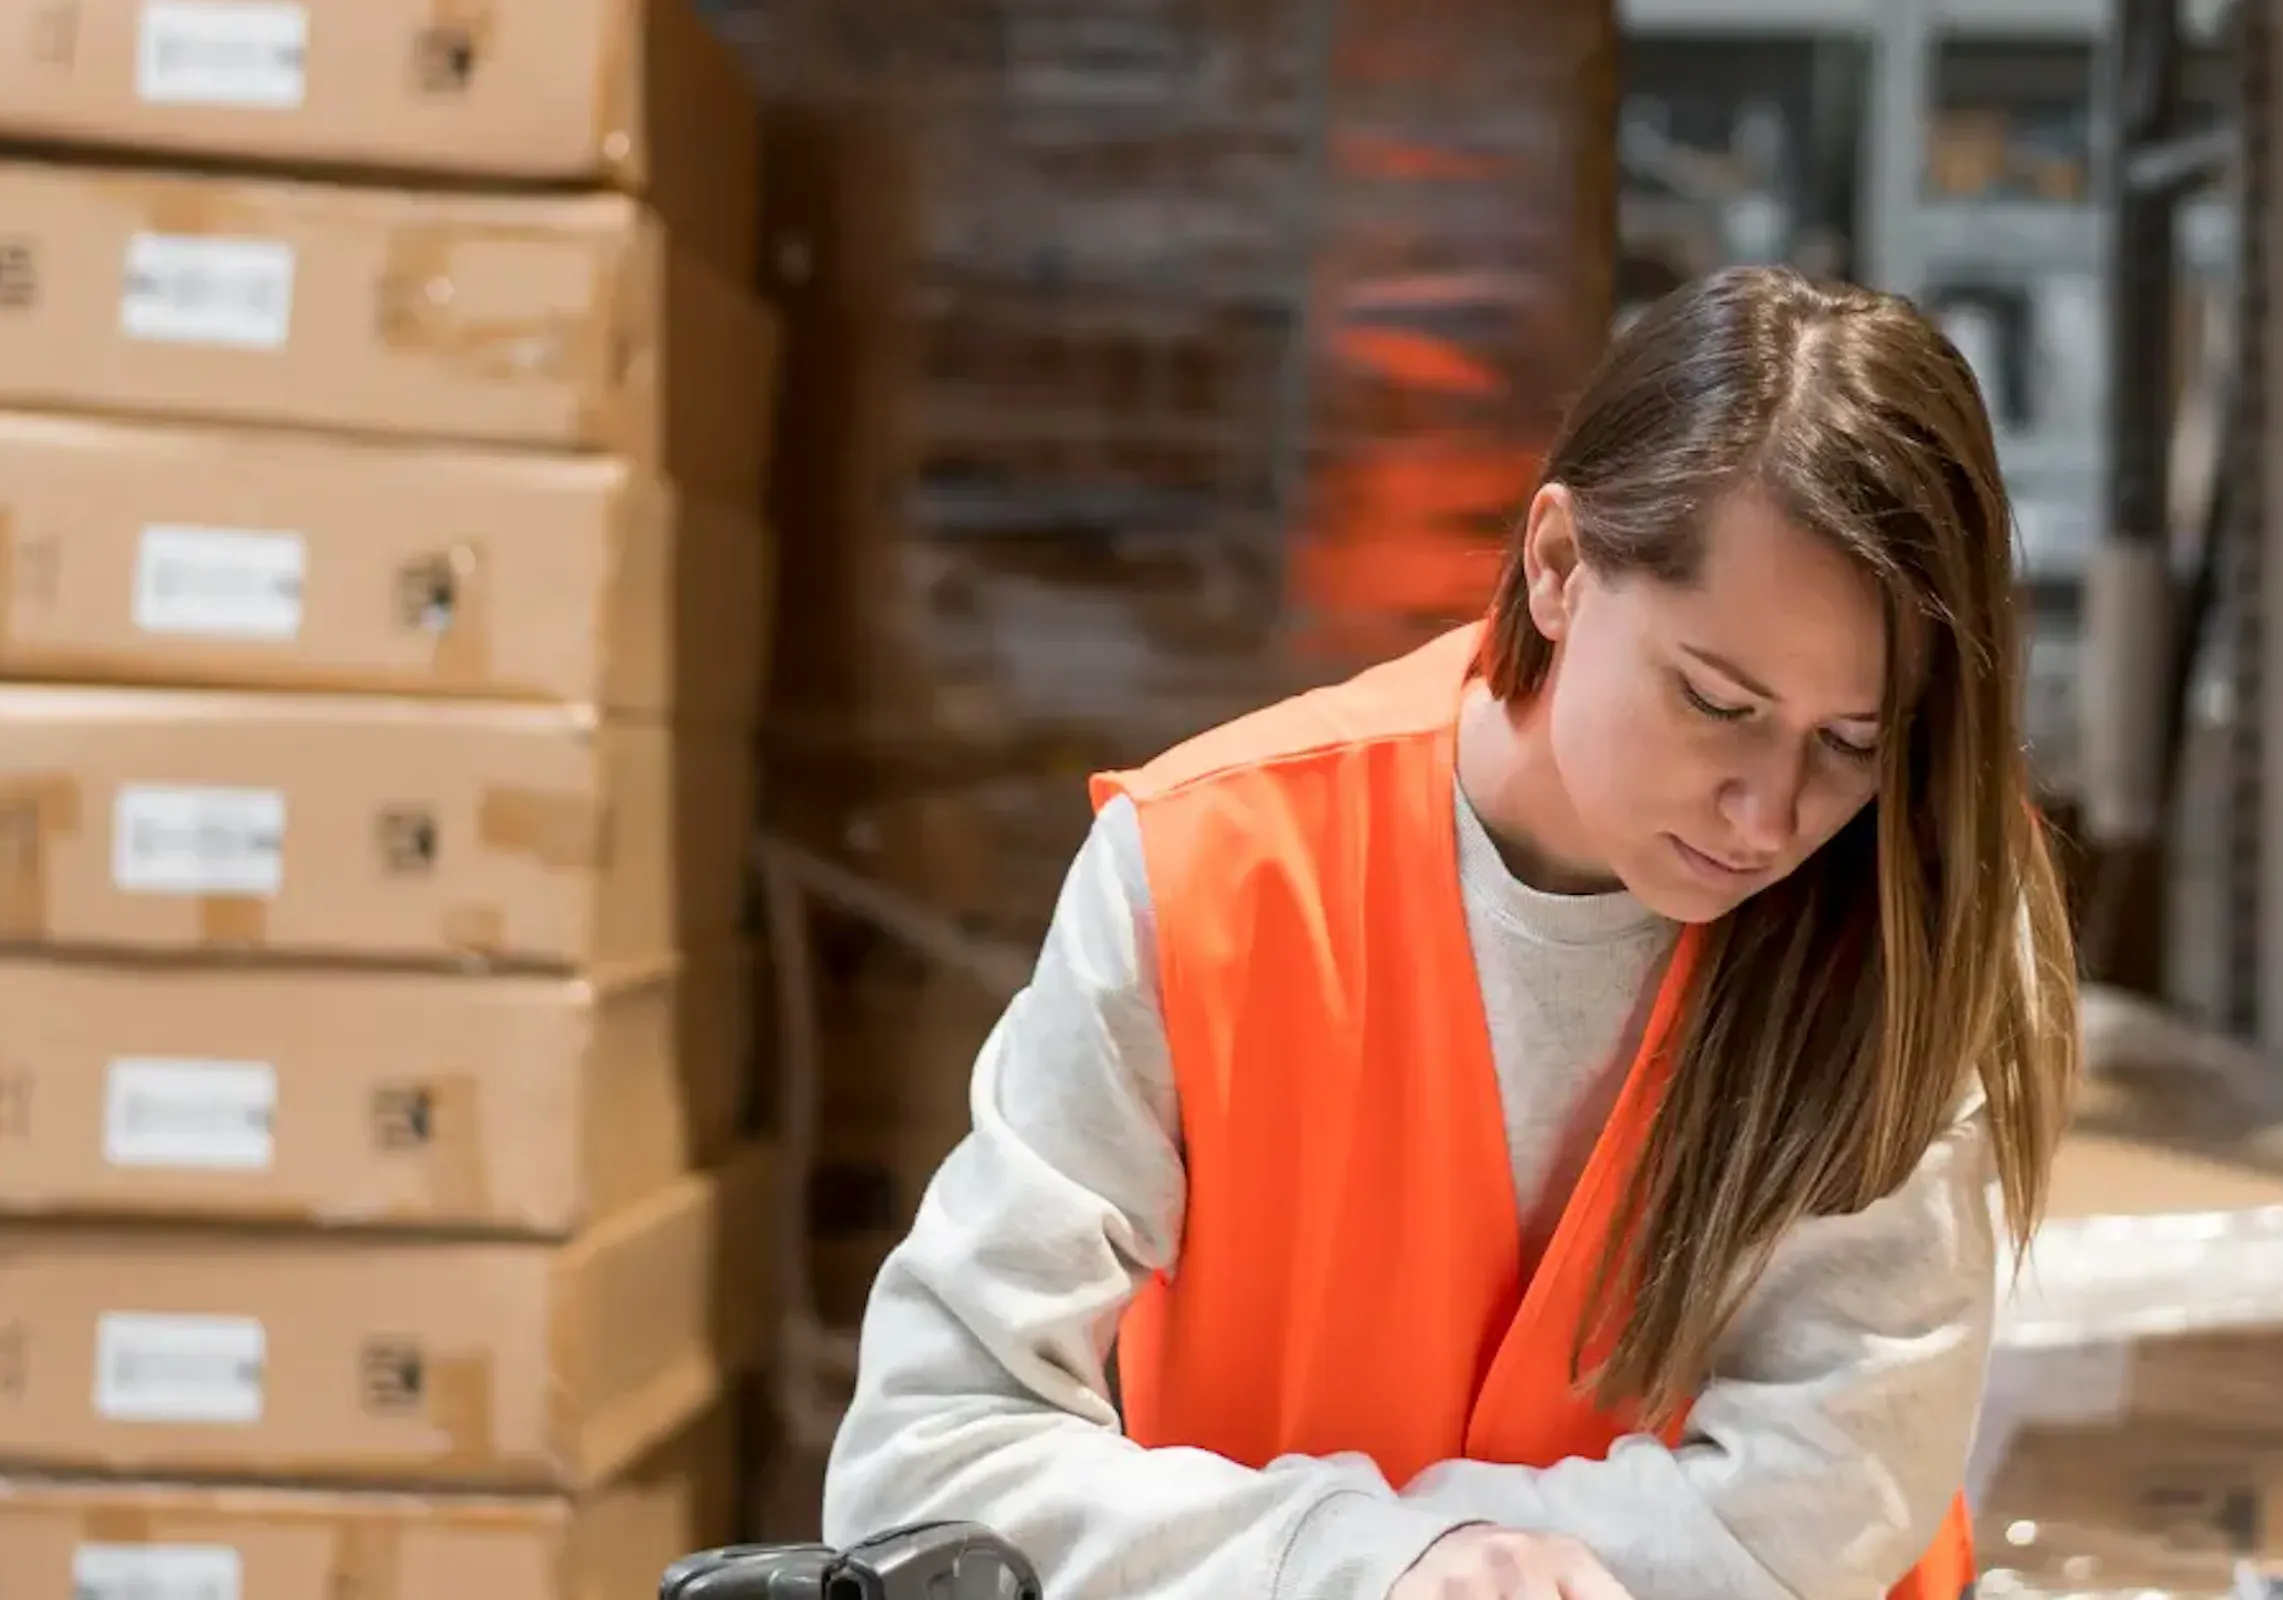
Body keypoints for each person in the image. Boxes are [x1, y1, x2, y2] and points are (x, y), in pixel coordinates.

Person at [821, 264, 2083, 1600]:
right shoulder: (1208, 875)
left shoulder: (1911, 911)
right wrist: (1383, 1563)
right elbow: (923, 1457)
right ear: (1556, 567)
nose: (1770, 816)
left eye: (1852, 743)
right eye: (1717, 702)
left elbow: (1824, 1499)